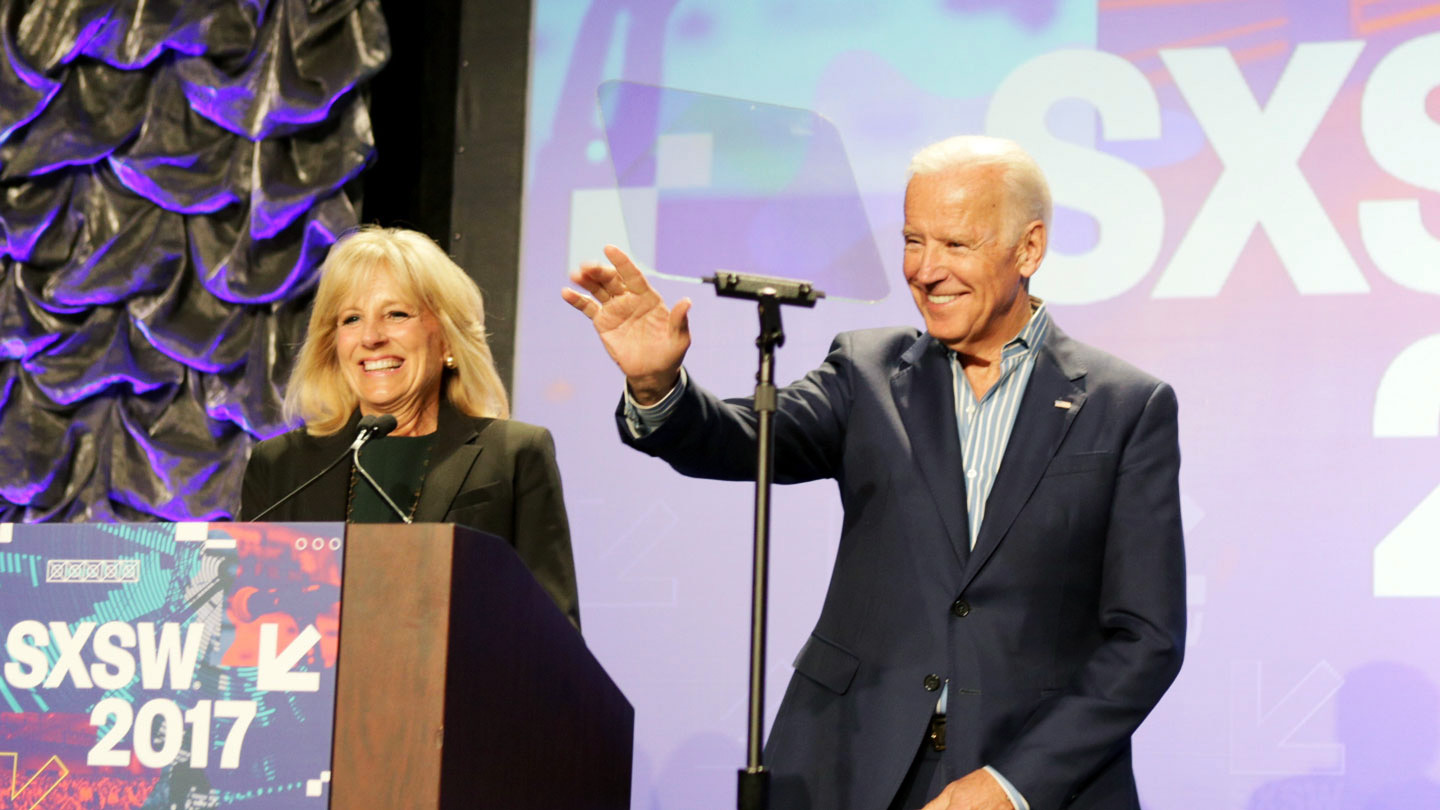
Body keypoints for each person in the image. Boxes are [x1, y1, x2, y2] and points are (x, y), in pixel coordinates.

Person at [562, 136, 1185, 808]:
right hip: (848, 762)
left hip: (1028, 776)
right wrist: (660, 387)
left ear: (1028, 249)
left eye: (955, 244)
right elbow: (741, 440)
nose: (925, 270)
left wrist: (1014, 783)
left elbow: (1146, 639)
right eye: (914, 241)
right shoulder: (867, 374)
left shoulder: (1125, 406)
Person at [242, 226, 580, 629]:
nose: (370, 337)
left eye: (396, 314)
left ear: (448, 340)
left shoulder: (514, 455)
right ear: (333, 345)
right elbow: (249, 616)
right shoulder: (281, 467)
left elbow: (553, 630)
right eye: (351, 319)